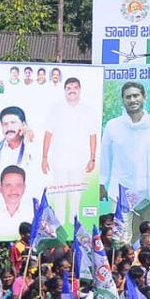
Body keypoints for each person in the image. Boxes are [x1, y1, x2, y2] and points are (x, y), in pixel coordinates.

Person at [100, 82, 150, 220]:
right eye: (128, 97)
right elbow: (104, 156)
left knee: (142, 237)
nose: (132, 100)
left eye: (136, 95)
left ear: (144, 97)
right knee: (120, 237)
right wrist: (101, 182)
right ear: (123, 100)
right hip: (120, 191)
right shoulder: (113, 125)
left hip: (147, 193)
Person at [42, 77, 99, 216]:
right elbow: (48, 133)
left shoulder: (88, 110)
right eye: (69, 88)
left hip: (79, 161)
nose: (72, 91)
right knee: (59, 193)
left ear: (80, 90)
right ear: (64, 91)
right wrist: (44, 157)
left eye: (75, 88)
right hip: (59, 159)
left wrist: (92, 159)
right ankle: (60, 222)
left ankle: (74, 222)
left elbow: (93, 135)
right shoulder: (56, 108)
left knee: (76, 193)